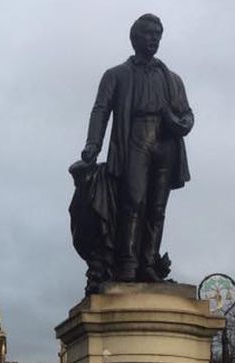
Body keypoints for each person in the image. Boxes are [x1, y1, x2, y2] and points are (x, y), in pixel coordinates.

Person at [72, 14, 193, 289]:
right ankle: (126, 263)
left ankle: (148, 263)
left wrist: (182, 124)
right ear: (135, 37)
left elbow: (187, 113)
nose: (154, 39)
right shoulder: (116, 74)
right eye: (149, 34)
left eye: (158, 35)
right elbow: (101, 110)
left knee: (157, 207)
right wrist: (93, 144)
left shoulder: (172, 78)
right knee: (133, 201)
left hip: (165, 141)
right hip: (134, 138)